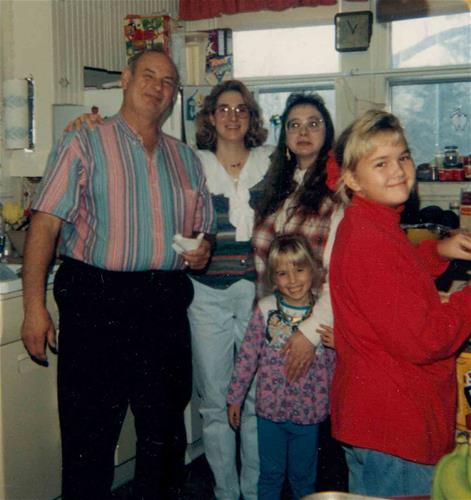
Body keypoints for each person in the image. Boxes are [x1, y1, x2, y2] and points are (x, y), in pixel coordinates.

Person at [20, 48, 215, 500]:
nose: (157, 87)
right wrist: (33, 307)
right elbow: (45, 223)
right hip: (97, 303)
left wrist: (203, 248)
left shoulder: (186, 158)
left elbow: (202, 230)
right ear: (125, 79)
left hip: (164, 305)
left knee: (164, 441)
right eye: (148, 75)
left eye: (167, 81)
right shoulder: (84, 141)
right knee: (88, 440)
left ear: (174, 94)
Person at [329, 109, 471, 497]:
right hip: (397, 427)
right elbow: (428, 339)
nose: (398, 170)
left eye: (403, 157)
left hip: (375, 421)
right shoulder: (371, 239)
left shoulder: (369, 223)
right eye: (381, 163)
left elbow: (395, 275)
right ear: (352, 179)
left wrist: (437, 251)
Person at [252, 93, 347, 489]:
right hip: (274, 330)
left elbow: (338, 278)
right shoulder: (276, 188)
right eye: (294, 124)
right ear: (285, 136)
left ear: (327, 133)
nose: (303, 131)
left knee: (313, 449)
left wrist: (309, 334)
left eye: (313, 123)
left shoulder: (338, 194)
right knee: (275, 449)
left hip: (314, 335)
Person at [189, 80, 273, 500]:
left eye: (241, 109)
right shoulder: (194, 162)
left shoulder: (269, 161)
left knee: (256, 398)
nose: (233, 116)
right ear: (210, 117)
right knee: (215, 399)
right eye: (224, 109)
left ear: (252, 118)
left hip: (257, 294)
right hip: (207, 294)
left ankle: (253, 492)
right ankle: (225, 491)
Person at [227, 234, 335, 500]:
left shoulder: (324, 313)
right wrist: (235, 398)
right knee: (270, 475)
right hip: (270, 412)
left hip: (309, 413)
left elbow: (335, 365)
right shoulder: (265, 309)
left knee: (303, 478)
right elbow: (247, 357)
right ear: (273, 278)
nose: (293, 280)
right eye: (283, 273)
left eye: (299, 270)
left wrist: (338, 343)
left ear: (313, 270)